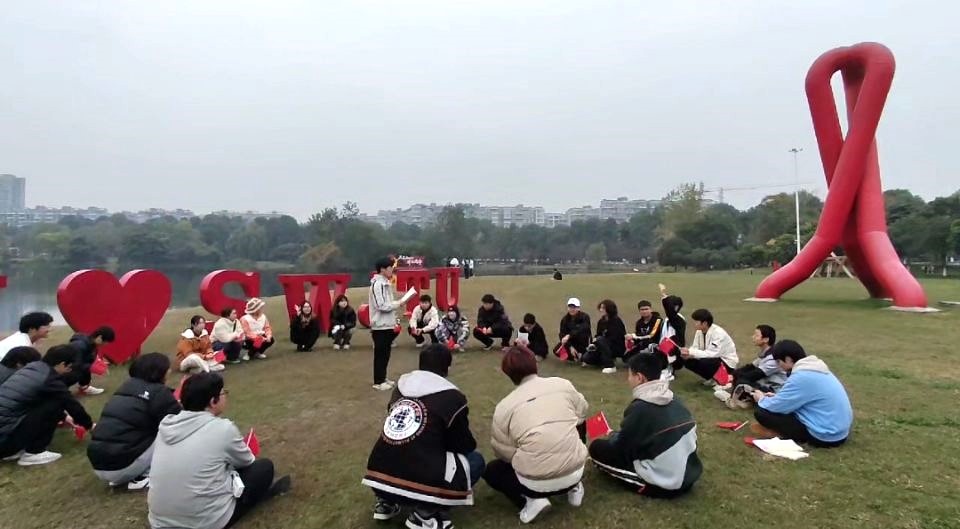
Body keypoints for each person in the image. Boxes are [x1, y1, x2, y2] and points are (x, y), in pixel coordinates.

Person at [362, 344, 484, 529]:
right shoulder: (453, 397)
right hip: (419, 481)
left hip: (378, 477)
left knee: (398, 448)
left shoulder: (399, 389)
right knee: (475, 460)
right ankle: (426, 513)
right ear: (446, 368)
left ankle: (386, 501)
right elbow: (463, 445)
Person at [148, 373, 291, 529]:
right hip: (203, 522)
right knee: (263, 468)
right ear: (213, 401)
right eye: (223, 393)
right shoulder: (222, 429)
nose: (225, 397)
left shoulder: (167, 426)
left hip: (160, 521)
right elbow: (246, 461)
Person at [485, 347, 589, 523]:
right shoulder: (563, 385)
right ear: (534, 364)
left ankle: (532, 501)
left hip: (534, 483)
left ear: (508, 373)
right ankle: (574, 486)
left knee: (492, 470)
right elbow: (582, 412)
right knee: (578, 421)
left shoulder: (504, 407)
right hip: (575, 470)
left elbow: (503, 453)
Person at [589, 353, 702, 497]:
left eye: (630, 375)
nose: (628, 379)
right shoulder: (673, 398)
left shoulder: (641, 408)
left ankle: (651, 478)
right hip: (690, 473)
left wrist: (611, 438)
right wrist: (614, 434)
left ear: (640, 377)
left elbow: (622, 450)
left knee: (597, 448)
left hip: (668, 484)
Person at [88, 353, 182, 489]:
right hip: (123, 464)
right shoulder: (159, 392)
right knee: (170, 433)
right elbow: (179, 423)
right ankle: (141, 476)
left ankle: (125, 475)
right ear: (159, 371)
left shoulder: (126, 387)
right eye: (167, 368)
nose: (170, 371)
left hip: (99, 464)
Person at [0, 345, 94, 466]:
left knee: (47, 403)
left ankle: (14, 450)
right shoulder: (49, 379)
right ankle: (34, 452)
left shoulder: (31, 369)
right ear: (62, 364)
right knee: (56, 403)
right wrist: (90, 425)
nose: (69, 371)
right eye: (70, 367)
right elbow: (71, 404)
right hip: (4, 440)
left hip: (4, 434)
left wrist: (65, 417)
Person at [751, 341, 852, 447]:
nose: (779, 366)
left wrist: (761, 398)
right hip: (839, 431)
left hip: (825, 435)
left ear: (788, 359)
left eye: (779, 361)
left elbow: (776, 406)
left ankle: (781, 434)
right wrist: (777, 397)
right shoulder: (816, 368)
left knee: (762, 412)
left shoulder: (801, 376)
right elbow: (801, 397)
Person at [718, 325, 786, 406]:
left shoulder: (772, 358)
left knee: (743, 381)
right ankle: (738, 395)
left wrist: (737, 377)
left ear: (766, 339)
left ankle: (738, 399)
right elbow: (750, 367)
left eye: (756, 335)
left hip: (774, 390)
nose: (753, 337)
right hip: (766, 383)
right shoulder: (765, 353)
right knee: (740, 376)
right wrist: (733, 374)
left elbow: (755, 374)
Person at [678, 309, 739, 387]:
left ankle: (725, 378)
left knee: (705, 362)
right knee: (688, 361)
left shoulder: (718, 333)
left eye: (696, 322)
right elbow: (695, 347)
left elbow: (712, 354)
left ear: (704, 323)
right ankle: (713, 379)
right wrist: (688, 354)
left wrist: (691, 352)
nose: (694, 324)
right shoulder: (699, 331)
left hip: (727, 363)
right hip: (714, 359)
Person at [370, 257, 404, 391]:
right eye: (390, 268)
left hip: (388, 324)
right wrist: (398, 303)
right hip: (379, 325)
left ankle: (383, 378)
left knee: (386, 353)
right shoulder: (377, 284)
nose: (392, 270)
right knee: (380, 354)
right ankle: (378, 381)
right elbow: (381, 305)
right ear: (382, 269)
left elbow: (388, 304)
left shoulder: (386, 283)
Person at [62, 326, 115, 396]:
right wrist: (92, 367)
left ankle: (84, 387)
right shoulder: (78, 345)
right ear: (99, 337)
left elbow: (88, 359)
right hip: (63, 370)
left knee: (86, 366)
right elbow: (73, 364)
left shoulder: (91, 344)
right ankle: (59, 390)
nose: (105, 344)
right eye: (105, 342)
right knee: (77, 372)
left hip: (71, 367)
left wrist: (99, 364)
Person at [583, 300, 627, 374]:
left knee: (600, 340)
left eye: (603, 308)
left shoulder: (616, 321)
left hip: (616, 346)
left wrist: (600, 341)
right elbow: (598, 334)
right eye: (600, 308)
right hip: (602, 345)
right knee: (586, 358)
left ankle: (610, 366)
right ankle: (604, 360)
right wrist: (594, 343)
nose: (601, 310)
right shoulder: (601, 321)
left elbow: (616, 337)